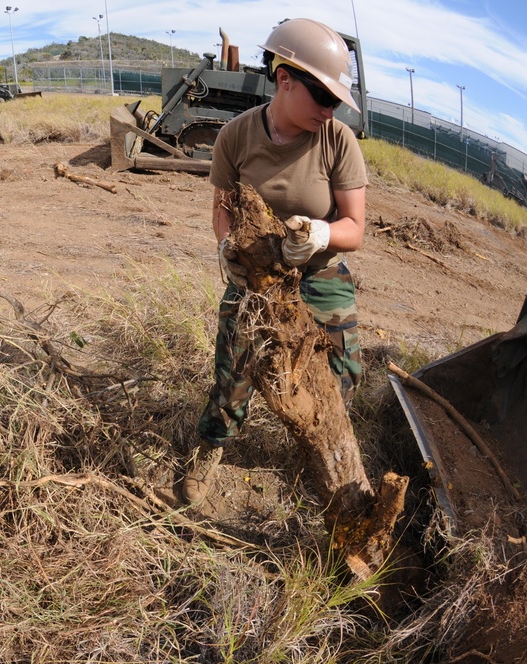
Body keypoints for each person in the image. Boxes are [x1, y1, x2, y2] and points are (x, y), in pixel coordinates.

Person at [184, 18, 369, 505]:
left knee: (343, 371)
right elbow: (223, 208)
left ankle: (327, 457)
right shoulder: (236, 137)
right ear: (284, 78)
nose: (330, 112)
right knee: (234, 365)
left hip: (319, 269)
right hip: (258, 270)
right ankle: (212, 445)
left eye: (336, 102)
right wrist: (228, 248)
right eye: (323, 98)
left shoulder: (337, 142)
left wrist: (321, 233)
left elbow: (355, 227)